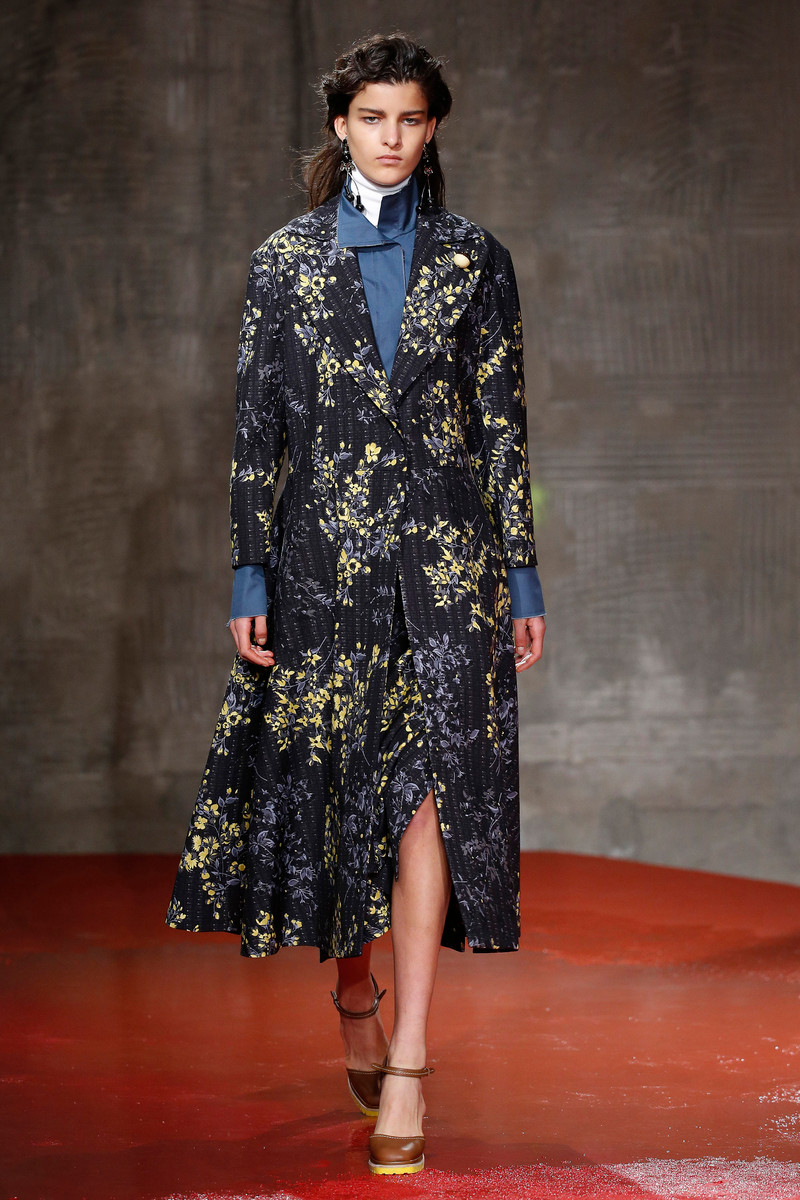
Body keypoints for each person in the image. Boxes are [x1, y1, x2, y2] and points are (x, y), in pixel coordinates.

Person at [165, 30, 546, 1177]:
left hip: (446, 565)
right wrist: (249, 576)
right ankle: (353, 994)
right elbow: (256, 432)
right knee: (343, 801)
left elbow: (501, 430)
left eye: (410, 119)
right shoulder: (284, 262)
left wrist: (519, 575)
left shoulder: (474, 259)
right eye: (371, 117)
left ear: (432, 129)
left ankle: (411, 1060)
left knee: (427, 796)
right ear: (340, 125)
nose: (391, 137)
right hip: (320, 566)